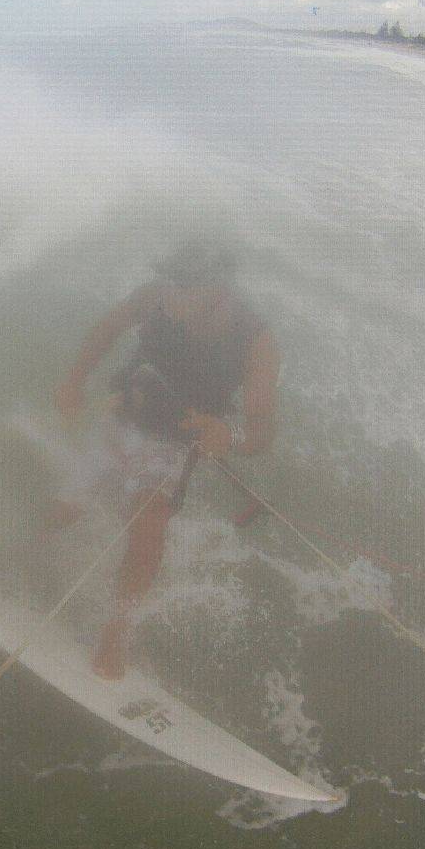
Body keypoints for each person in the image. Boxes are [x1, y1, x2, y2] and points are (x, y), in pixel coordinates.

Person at [52, 242, 279, 679]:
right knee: (65, 509)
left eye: (185, 286)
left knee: (150, 521)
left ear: (218, 290)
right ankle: (14, 552)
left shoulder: (255, 340)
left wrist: (228, 436)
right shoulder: (156, 295)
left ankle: (116, 631)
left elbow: (262, 432)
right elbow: (107, 330)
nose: (172, 293)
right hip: (125, 414)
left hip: (175, 441)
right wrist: (74, 380)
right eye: (172, 281)